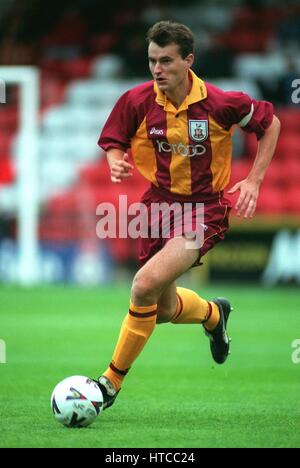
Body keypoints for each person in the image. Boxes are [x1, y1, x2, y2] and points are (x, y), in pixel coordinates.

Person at [96, 21, 281, 409]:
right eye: (152, 60)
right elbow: (114, 138)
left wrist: (255, 180)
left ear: (188, 60)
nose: (157, 69)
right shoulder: (138, 100)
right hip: (157, 206)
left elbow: (271, 123)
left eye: (166, 61)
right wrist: (115, 161)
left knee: (143, 284)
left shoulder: (219, 102)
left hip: (204, 210)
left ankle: (108, 384)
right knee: (161, 310)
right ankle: (214, 314)